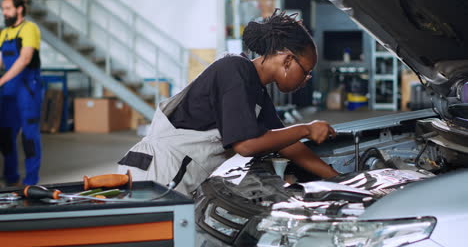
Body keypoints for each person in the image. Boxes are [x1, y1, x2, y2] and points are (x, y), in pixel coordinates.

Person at [118, 10, 338, 195]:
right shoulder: (235, 70)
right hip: (157, 173)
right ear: (288, 60)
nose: (305, 80)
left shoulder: (255, 89)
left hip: (175, 172)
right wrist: (306, 129)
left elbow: (286, 144)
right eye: (306, 72)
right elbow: (246, 145)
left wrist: (337, 178)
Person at [0, 0, 43, 186]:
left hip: (27, 87)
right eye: (3, 9)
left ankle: (31, 181)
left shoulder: (29, 28)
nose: (4, 13)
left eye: (7, 9)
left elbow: (24, 59)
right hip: (9, 89)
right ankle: (11, 178)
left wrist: (1, 81)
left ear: (19, 9)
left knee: (28, 135)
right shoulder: (4, 33)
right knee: (6, 135)